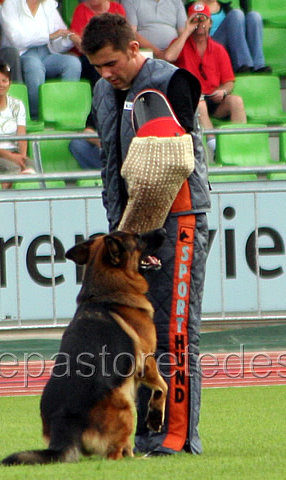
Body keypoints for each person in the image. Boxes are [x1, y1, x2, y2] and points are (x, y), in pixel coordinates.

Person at [82, 13, 210, 456]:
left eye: (112, 63)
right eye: (97, 67)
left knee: (173, 331)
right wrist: (122, 227)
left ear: (135, 48)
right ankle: (146, 434)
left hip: (177, 220)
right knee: (136, 337)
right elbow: (109, 160)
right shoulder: (102, 91)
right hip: (129, 228)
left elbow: (178, 155)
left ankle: (173, 438)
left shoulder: (173, 82)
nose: (106, 74)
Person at [164, 2, 246, 155]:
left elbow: (229, 81)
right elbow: (169, 56)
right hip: (191, 100)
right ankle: (216, 149)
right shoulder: (181, 44)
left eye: (203, 19)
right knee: (200, 104)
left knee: (236, 101)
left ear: (210, 22)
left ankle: (239, 146)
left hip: (214, 98)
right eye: (195, 19)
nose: (200, 23)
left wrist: (223, 91)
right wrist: (187, 31)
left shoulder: (218, 49)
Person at [0, 0, 82, 119]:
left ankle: (65, 111)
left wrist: (70, 38)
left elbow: (59, 37)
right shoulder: (11, 4)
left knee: (73, 63)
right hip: (21, 54)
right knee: (34, 66)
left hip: (46, 52)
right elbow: (16, 39)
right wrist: (48, 36)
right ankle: (37, 116)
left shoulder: (49, 4)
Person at [200, 0, 271, 73]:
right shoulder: (194, 8)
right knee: (236, 14)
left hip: (229, 50)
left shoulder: (226, 8)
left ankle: (259, 65)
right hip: (210, 49)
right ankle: (242, 64)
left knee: (254, 16)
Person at [69, 0, 126, 86]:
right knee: (98, 65)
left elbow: (121, 37)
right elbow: (81, 45)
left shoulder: (117, 8)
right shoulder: (80, 10)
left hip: (112, 53)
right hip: (88, 55)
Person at [122, 0, 187, 58]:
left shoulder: (177, 2)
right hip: (144, 55)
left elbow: (183, 32)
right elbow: (131, 33)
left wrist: (171, 52)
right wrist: (158, 53)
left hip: (174, 55)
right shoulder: (130, 1)